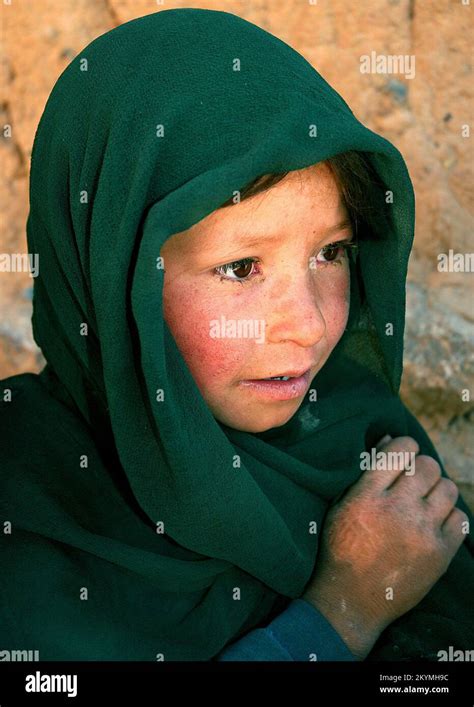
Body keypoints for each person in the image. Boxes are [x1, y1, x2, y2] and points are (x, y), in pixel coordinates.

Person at [0, 8, 472, 662]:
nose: (308, 324)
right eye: (241, 267)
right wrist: (343, 612)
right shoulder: (24, 523)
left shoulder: (359, 442)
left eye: (331, 253)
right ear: (109, 277)